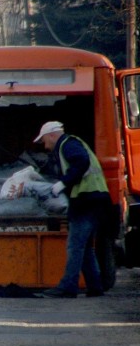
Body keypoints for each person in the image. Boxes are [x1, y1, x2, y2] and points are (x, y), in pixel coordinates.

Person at [33, 121, 111, 298]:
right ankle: (95, 286)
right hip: (95, 199)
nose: (45, 145)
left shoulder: (68, 145)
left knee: (75, 245)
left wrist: (63, 182)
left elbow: (81, 161)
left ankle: (68, 287)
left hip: (86, 199)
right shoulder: (72, 144)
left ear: (53, 135)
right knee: (85, 247)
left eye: (45, 140)